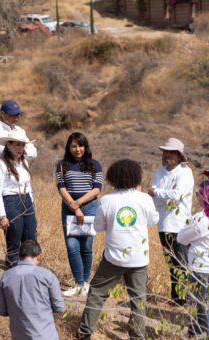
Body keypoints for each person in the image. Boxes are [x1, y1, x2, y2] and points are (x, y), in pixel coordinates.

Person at [78, 159, 159, 340]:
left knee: (97, 293)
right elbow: (153, 221)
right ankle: (137, 336)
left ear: (113, 178)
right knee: (138, 300)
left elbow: (98, 227)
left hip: (113, 258)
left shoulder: (107, 200)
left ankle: (84, 333)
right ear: (136, 177)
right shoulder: (144, 199)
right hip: (139, 258)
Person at [148, 137, 194, 306]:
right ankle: (176, 299)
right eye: (166, 151)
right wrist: (163, 193)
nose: (167, 155)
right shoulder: (160, 172)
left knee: (181, 263)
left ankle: (184, 300)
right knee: (171, 263)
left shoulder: (185, 172)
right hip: (163, 224)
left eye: (171, 152)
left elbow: (177, 195)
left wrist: (158, 192)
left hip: (180, 224)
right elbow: (155, 198)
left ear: (179, 155)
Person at [56, 132, 103, 297]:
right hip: (69, 207)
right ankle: (79, 283)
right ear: (69, 147)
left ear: (86, 147)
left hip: (89, 207)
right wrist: (74, 207)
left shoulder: (94, 165)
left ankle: (84, 283)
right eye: (74, 146)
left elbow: (97, 188)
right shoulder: (62, 165)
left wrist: (80, 203)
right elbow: (61, 187)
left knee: (86, 247)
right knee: (72, 246)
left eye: (80, 145)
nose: (77, 149)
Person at [0, 240, 65, 340]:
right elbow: (60, 308)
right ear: (39, 256)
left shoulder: (6, 276)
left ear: (19, 256)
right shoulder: (47, 276)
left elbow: (1, 310)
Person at [0, 130, 38, 268]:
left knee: (30, 238)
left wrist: (32, 203)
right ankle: (12, 274)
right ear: (8, 145)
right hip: (10, 202)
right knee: (14, 240)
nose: (20, 148)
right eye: (17, 145)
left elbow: (28, 186)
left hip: (26, 201)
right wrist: (2, 215)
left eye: (22, 145)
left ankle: (29, 273)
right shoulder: (1, 165)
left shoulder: (24, 162)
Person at [177, 177, 209, 338]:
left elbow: (181, 238)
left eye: (199, 193)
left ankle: (202, 332)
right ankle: (195, 331)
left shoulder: (201, 219)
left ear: (204, 197)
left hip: (201, 268)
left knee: (203, 307)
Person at [0, 100, 37, 164]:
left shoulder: (20, 130)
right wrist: (25, 149)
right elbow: (9, 155)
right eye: (12, 115)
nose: (16, 118)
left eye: (18, 115)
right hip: (4, 172)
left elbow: (33, 153)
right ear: (3, 114)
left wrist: (19, 151)